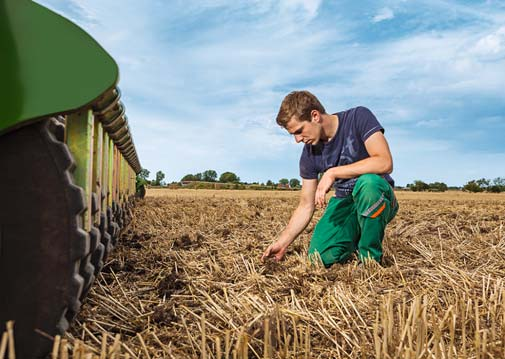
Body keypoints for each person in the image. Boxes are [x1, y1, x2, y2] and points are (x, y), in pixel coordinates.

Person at [261, 91, 398, 267]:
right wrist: (283, 242)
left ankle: (370, 261)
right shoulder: (309, 155)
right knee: (319, 257)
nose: (297, 139)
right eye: (293, 134)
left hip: (377, 195)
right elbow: (305, 205)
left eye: (299, 131)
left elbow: (384, 161)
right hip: (345, 201)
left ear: (315, 116)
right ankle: (354, 236)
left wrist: (333, 172)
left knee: (368, 184)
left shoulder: (358, 117)